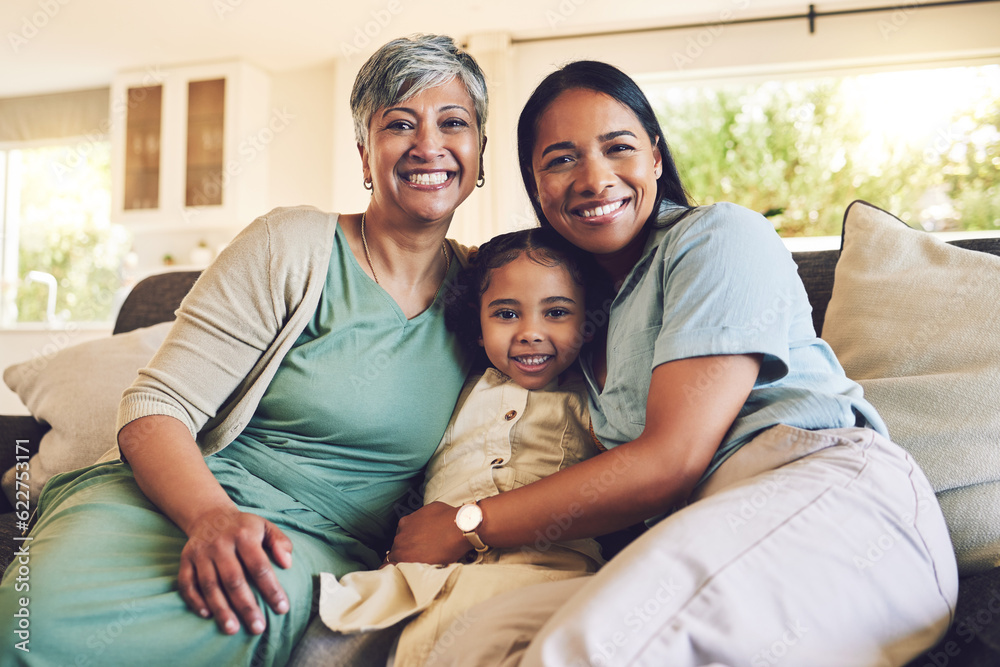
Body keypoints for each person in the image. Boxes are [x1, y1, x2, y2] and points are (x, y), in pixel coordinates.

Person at [388, 60, 959, 667]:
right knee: (466, 643)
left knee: (587, 651)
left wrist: (467, 524)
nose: (594, 177)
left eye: (619, 148)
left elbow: (670, 460)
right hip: (695, 535)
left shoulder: (720, 236)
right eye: (560, 159)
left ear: (656, 159)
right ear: (535, 186)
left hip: (825, 497)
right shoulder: (576, 323)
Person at [0, 34, 487, 667]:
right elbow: (154, 406)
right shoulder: (294, 244)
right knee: (33, 627)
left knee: (222, 620)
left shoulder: (492, 293)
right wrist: (210, 518)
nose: (429, 144)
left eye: (454, 122)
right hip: (176, 500)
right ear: (366, 156)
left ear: (479, 153)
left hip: (310, 544)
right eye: (400, 124)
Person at [293, 227, 606, 667]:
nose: (530, 333)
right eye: (506, 314)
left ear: (588, 324)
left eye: (556, 312)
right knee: (332, 637)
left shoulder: (595, 397)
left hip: (545, 569)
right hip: (425, 571)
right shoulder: (453, 388)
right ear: (477, 328)